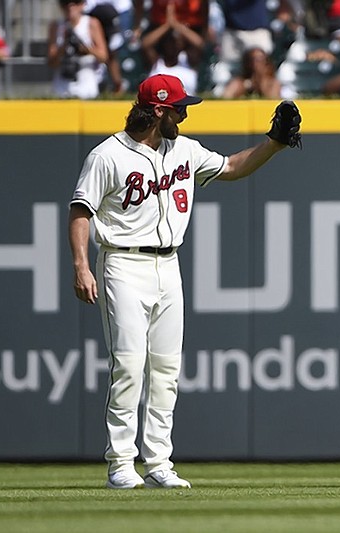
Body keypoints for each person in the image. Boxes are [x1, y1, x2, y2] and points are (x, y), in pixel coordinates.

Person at [68, 74, 300, 489]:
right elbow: (81, 210)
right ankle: (121, 462)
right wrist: (81, 266)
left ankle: (158, 461)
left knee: (166, 369)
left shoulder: (184, 149)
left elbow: (229, 167)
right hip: (122, 263)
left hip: (168, 264)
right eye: (179, 107)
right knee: (128, 365)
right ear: (158, 110)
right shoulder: (107, 155)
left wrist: (274, 144)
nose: (185, 113)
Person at [47, 0, 109, 100]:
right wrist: (64, 46)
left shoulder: (91, 23)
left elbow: (104, 57)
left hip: (86, 83)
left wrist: (85, 49)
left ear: (83, 4)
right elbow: (51, 62)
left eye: (76, 2)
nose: (70, 6)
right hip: (62, 85)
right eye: (65, 3)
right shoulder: (56, 26)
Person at [141, 1, 205, 94]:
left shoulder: (188, 59)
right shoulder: (157, 62)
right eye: (170, 42)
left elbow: (199, 43)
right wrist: (167, 25)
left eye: (176, 41)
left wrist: (176, 24)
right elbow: (145, 44)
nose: (173, 45)